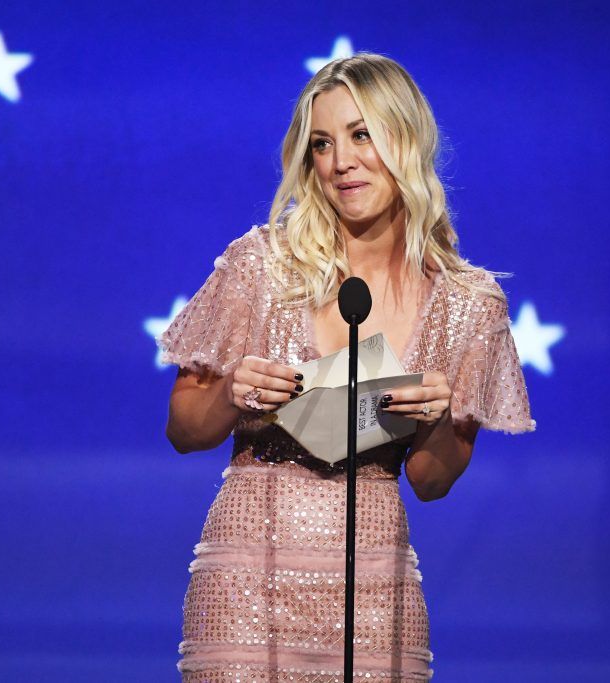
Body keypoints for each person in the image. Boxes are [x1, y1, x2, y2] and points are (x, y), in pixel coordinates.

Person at [159, 53, 535, 682]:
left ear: (406, 140)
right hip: (248, 584)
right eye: (322, 144)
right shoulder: (261, 267)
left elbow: (432, 481)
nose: (341, 162)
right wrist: (233, 392)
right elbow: (183, 430)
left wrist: (437, 422)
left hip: (376, 595)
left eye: (362, 135)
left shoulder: (468, 304)